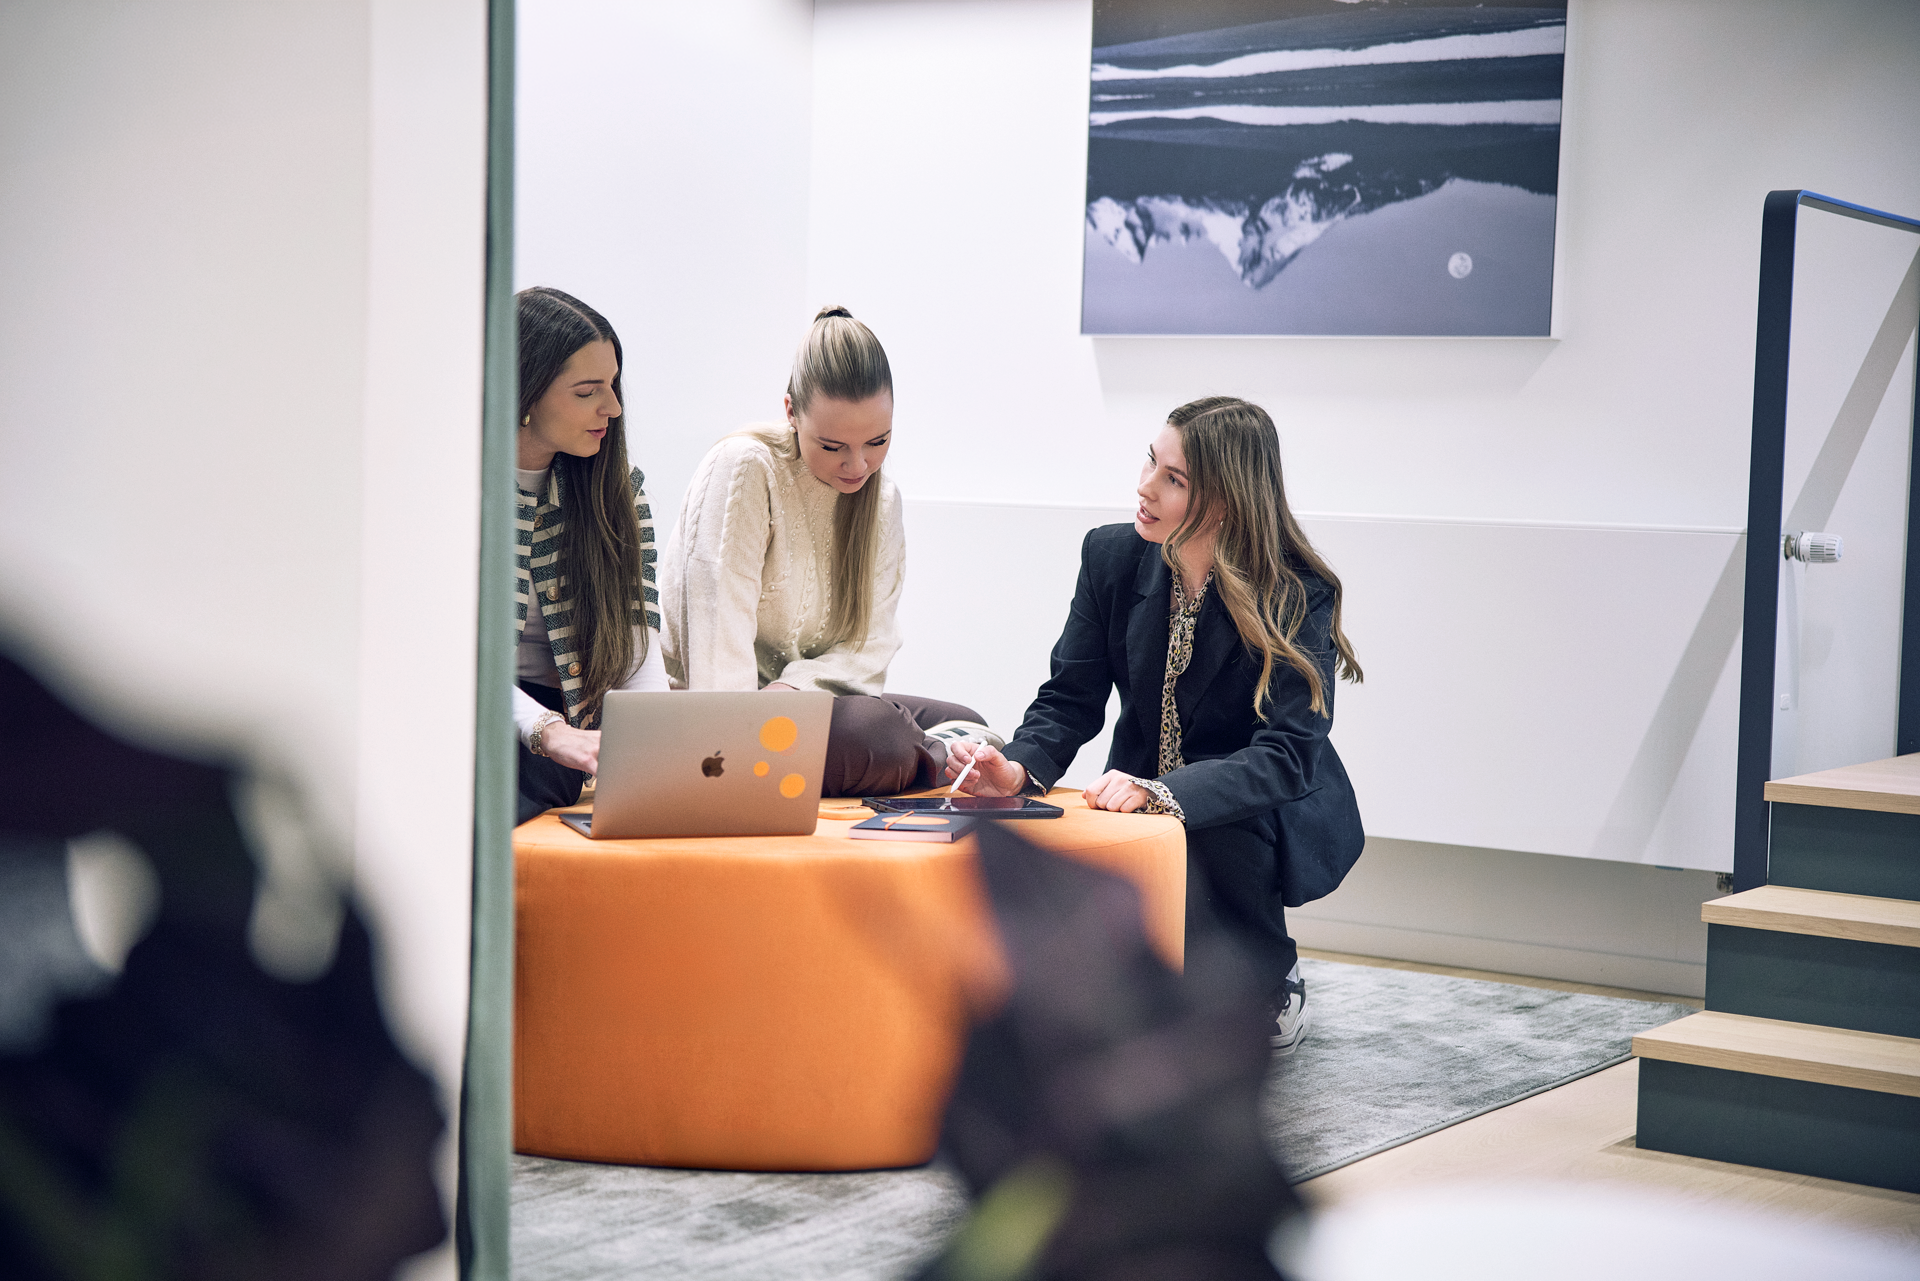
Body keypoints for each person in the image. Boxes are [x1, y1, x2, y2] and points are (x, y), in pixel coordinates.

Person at [944, 396, 1365, 1054]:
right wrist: (1019, 769)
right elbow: (1070, 696)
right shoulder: (1112, 555)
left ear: (1226, 501)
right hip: (1137, 789)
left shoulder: (1295, 589)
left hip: (1260, 805)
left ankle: (1271, 975)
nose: (1145, 486)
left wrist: (1164, 791)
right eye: (1151, 462)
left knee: (1220, 825)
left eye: (1175, 479)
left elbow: (1285, 756)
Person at [660, 305, 995, 797]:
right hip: (726, 716)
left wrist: (793, 690)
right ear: (791, 411)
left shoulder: (882, 500)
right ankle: (931, 753)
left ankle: (927, 750)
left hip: (797, 702)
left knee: (969, 720)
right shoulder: (745, 468)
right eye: (833, 446)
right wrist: (754, 720)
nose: (858, 466)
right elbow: (715, 649)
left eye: (878, 441)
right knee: (878, 736)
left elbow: (871, 644)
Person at [511, 286, 668, 824]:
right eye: (587, 392)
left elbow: (637, 647)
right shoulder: (458, 489)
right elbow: (445, 655)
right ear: (525, 392)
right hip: (480, 716)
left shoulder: (617, 489)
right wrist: (547, 731)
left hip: (565, 723)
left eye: (613, 385)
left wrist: (655, 751)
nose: (613, 408)